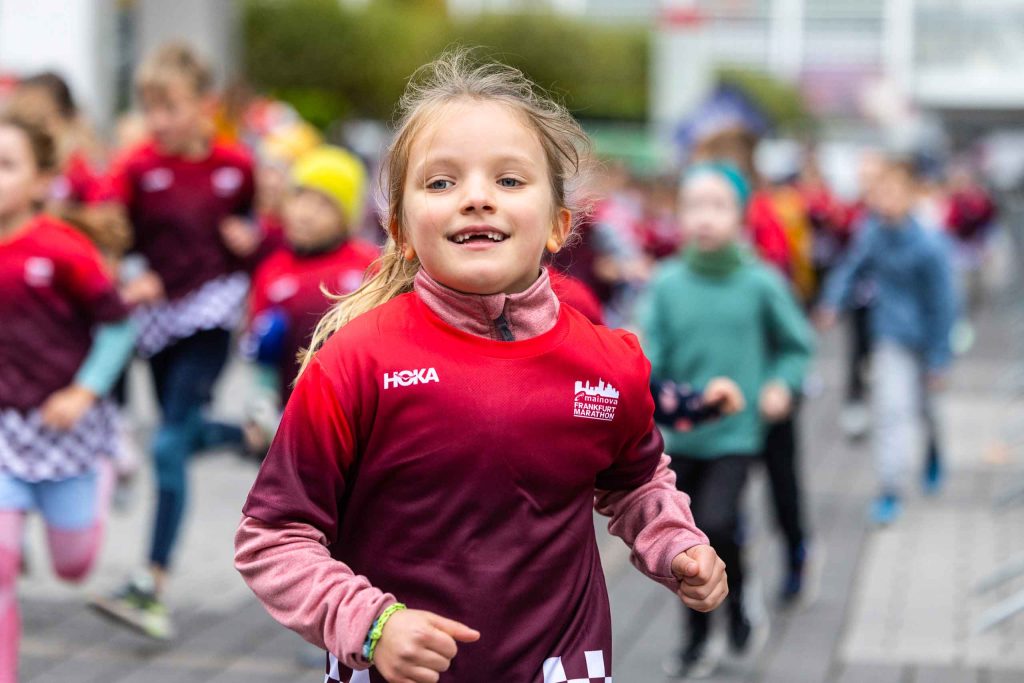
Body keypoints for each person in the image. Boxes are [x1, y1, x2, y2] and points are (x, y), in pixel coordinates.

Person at [235, 51, 733, 683]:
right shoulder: (355, 361)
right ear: (401, 229)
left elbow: (635, 481)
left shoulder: (609, 362)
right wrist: (370, 623)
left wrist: (676, 543)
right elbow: (273, 534)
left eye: (509, 181)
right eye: (441, 183)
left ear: (557, 225)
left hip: (564, 665)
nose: (476, 198)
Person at [88, 42, 255, 639]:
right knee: (175, 440)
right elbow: (109, 233)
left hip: (210, 312)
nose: (158, 119)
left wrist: (251, 239)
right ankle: (252, 434)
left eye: (170, 106)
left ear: (205, 105)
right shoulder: (135, 167)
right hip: (158, 318)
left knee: (166, 444)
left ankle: (151, 583)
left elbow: (260, 232)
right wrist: (126, 271)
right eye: (149, 107)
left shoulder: (236, 166)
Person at [640, 161, 814, 678]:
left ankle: (736, 600)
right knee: (685, 542)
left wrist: (781, 383)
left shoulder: (760, 282)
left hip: (738, 434)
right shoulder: (666, 284)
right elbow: (646, 359)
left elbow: (798, 345)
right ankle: (696, 639)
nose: (705, 217)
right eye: (694, 205)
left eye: (718, 206)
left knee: (716, 522)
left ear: (740, 215)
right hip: (679, 435)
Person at [0, 113, 136, 683]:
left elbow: (119, 327)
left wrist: (83, 391)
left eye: (6, 165)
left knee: (72, 566)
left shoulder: (62, 249)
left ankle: (105, 471)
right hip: (4, 432)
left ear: (40, 182)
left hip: (67, 430)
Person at [817, 158, 957, 525]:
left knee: (926, 410)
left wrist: (940, 357)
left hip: (927, 340)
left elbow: (944, 303)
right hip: (889, 336)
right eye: (880, 193)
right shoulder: (872, 234)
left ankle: (933, 451)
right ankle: (890, 488)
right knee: (891, 410)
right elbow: (851, 268)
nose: (887, 201)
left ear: (911, 195)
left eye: (895, 192)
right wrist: (833, 302)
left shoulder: (930, 244)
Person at [243, 145, 378, 447]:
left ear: (346, 217)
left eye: (323, 204)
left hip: (355, 421)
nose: (306, 213)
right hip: (290, 420)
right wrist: (257, 412)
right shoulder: (272, 271)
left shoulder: (370, 266)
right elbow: (261, 354)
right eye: (300, 197)